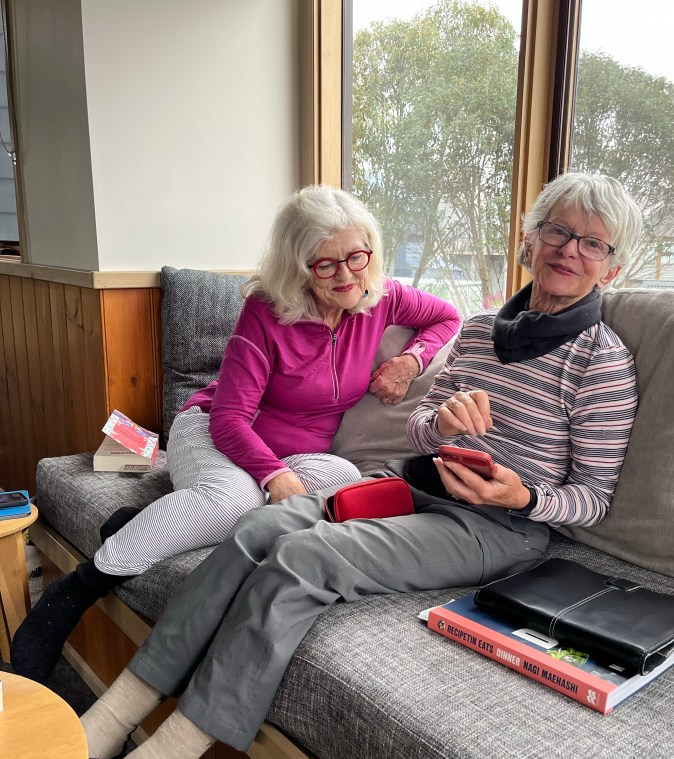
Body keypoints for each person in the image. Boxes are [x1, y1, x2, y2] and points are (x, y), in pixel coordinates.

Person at [72, 171, 643, 759]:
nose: (570, 250)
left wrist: (523, 497)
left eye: (592, 243)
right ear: (529, 241)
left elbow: (593, 499)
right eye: (557, 231)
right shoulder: (482, 330)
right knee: (261, 526)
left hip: (497, 527)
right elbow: (421, 429)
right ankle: (112, 718)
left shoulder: (602, 363)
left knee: (305, 557)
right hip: (415, 486)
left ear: (613, 267)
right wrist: (440, 424)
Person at [11, 185, 461, 683]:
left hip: (297, 455)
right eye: (325, 264)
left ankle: (150, 524)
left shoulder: (382, 297)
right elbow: (229, 419)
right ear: (298, 266)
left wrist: (410, 360)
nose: (347, 275)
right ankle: (78, 587)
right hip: (216, 432)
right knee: (234, 498)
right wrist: (272, 477)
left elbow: (447, 317)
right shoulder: (266, 312)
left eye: (357, 256)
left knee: (345, 480)